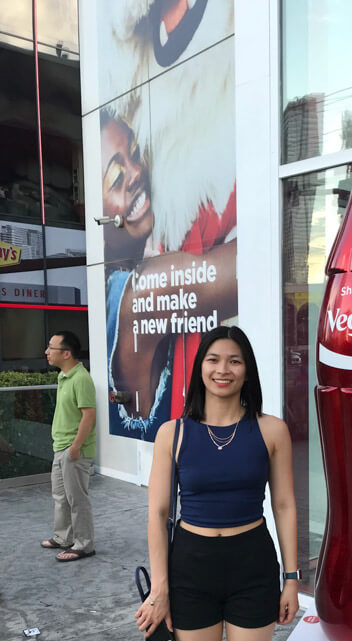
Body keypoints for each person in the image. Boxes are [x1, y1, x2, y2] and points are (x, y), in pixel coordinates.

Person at [136, 326, 299, 641]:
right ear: (200, 368)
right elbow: (158, 513)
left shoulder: (271, 430)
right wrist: (160, 588)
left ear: (247, 369)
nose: (223, 370)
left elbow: (287, 506)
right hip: (193, 566)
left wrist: (291, 577)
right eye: (213, 360)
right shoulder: (173, 434)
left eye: (234, 361)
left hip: (252, 563)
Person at [100, 108, 237, 440]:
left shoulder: (150, 261)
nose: (135, 173)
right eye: (116, 177)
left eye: (135, 154)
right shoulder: (134, 292)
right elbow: (252, 266)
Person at [40, 331, 97, 562]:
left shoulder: (81, 378)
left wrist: (76, 446)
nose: (46, 352)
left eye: (51, 348)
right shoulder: (64, 377)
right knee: (61, 497)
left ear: (66, 353)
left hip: (74, 449)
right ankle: (63, 537)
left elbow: (89, 416)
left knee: (77, 499)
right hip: (60, 446)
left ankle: (84, 545)